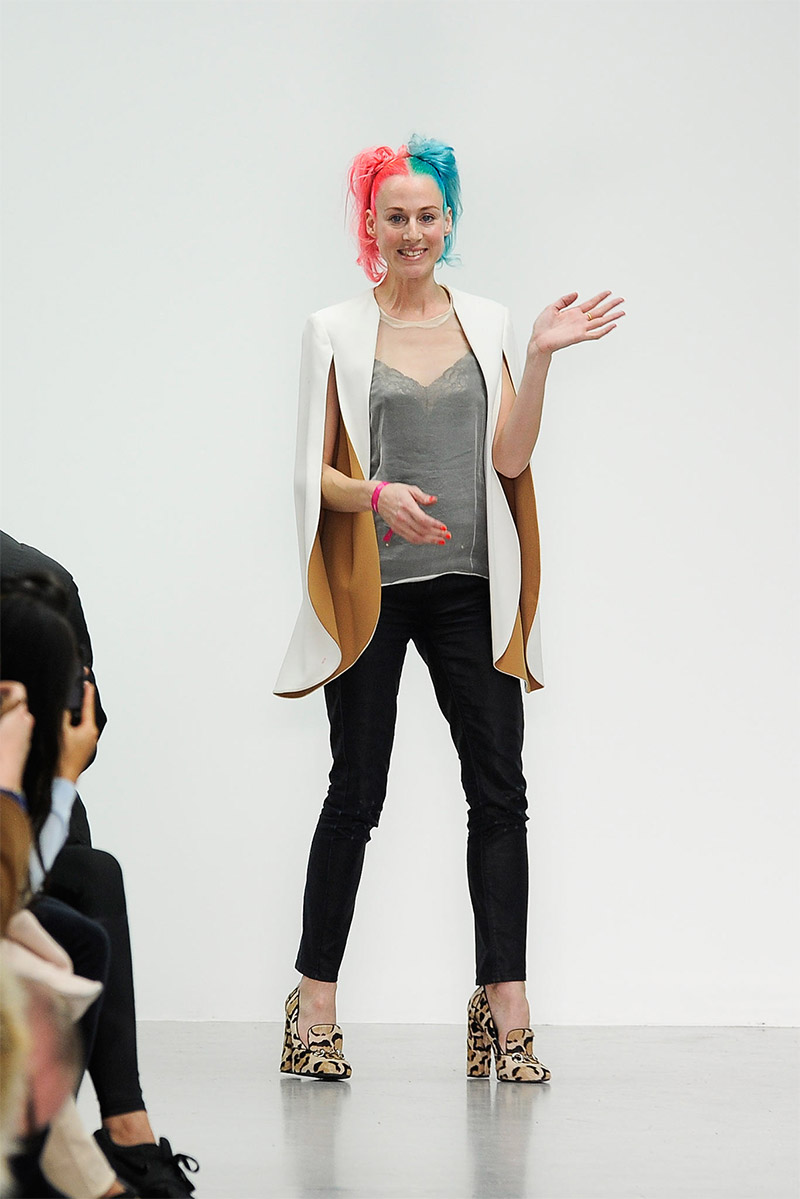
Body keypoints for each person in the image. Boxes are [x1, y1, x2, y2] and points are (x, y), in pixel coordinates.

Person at [275, 135, 624, 1082]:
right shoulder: (333, 329)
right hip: (375, 590)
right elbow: (308, 473)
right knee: (357, 792)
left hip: (470, 587)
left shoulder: (488, 322)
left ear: (448, 222)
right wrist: (375, 494)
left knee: (499, 791)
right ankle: (314, 1007)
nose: (413, 231)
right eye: (396, 216)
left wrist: (539, 357)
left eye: (428, 216)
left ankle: (505, 1006)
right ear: (371, 225)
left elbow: (509, 458)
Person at [1, 541, 199, 1197]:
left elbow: (81, 722)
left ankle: (120, 1132)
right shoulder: (35, 579)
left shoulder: (36, 579)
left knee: (89, 889)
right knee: (68, 916)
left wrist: (50, 773)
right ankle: (80, 1151)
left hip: (21, 822)